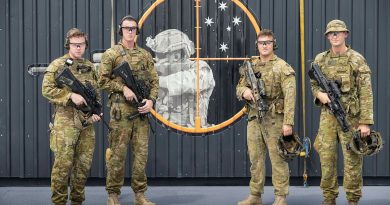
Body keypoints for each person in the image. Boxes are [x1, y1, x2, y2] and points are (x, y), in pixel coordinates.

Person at [310, 19, 374, 205]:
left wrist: (365, 122)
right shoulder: (320, 59)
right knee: (326, 159)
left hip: (351, 118)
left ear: (346, 34)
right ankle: (329, 198)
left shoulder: (356, 59)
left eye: (338, 32)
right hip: (327, 118)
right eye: (331, 33)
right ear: (327, 36)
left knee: (353, 159)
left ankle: (353, 199)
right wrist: (319, 95)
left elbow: (366, 92)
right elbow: (314, 84)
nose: (334, 36)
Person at [98, 15, 159, 205]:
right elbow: (101, 80)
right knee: (117, 155)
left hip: (141, 113)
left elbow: (155, 82)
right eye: (126, 28)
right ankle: (113, 194)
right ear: (121, 30)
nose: (130, 31)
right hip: (121, 113)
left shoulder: (145, 55)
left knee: (141, 156)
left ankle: (139, 195)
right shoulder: (111, 54)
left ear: (137, 32)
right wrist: (123, 88)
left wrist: (151, 101)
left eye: (133, 28)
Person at [236, 29, 296, 205]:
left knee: (278, 159)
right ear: (257, 45)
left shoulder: (282, 67)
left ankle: (280, 196)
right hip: (254, 118)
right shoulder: (251, 66)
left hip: (275, 119)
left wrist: (288, 123)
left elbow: (291, 97)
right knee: (255, 158)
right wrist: (245, 91)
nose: (264, 45)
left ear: (273, 44)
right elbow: (238, 88)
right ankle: (255, 195)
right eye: (261, 42)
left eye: (268, 42)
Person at [42, 28, 101, 205]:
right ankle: (59, 201)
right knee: (62, 167)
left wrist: (95, 113)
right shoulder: (58, 65)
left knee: (82, 168)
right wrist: (69, 96)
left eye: (81, 45)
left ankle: (77, 201)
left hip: (86, 124)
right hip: (65, 125)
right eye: (75, 45)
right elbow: (46, 90)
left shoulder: (90, 66)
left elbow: (95, 92)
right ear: (68, 45)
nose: (78, 48)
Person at [146, 29, 215, 127]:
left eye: (160, 55)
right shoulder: (156, 71)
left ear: (176, 56)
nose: (156, 59)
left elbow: (190, 81)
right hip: (162, 131)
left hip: (193, 133)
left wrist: (157, 81)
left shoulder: (201, 67)